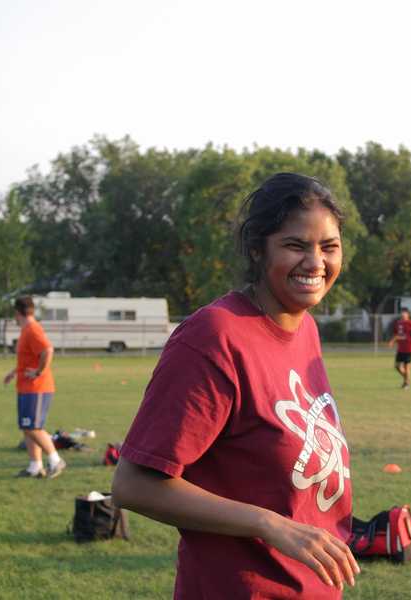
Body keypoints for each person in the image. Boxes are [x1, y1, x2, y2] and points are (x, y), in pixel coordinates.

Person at [112, 173, 359, 598]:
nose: (316, 262)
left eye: (329, 246)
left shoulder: (305, 329)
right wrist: (267, 523)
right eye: (295, 245)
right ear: (257, 249)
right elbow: (133, 484)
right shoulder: (216, 336)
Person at [3, 296, 65, 479]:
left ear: (17, 312)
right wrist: (14, 372)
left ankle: (55, 460)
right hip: (26, 387)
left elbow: (47, 350)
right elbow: (28, 358)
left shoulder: (32, 329)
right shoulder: (26, 330)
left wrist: (39, 372)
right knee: (27, 427)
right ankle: (35, 466)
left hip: (37, 387)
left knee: (33, 427)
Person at [388, 308, 411, 389]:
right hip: (400, 349)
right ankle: (407, 379)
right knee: (397, 366)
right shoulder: (398, 323)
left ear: (408, 314)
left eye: (405, 313)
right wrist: (392, 341)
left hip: (409, 348)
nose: (403, 314)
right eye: (402, 313)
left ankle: (407, 384)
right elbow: (396, 335)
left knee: (407, 367)